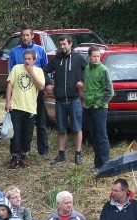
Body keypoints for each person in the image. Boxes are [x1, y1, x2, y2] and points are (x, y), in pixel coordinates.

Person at [7, 27, 49, 157]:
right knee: (20, 123)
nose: (25, 38)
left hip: (36, 89)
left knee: (41, 121)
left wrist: (46, 85)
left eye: (27, 35)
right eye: (23, 35)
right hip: (20, 91)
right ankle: (18, 151)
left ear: (32, 36)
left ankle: (43, 149)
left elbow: (46, 69)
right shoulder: (14, 51)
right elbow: (11, 73)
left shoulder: (40, 50)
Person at [45, 35, 87, 166]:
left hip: (74, 99)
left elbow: (89, 70)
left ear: (70, 44)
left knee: (77, 128)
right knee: (61, 129)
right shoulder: (56, 59)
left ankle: (78, 154)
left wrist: (83, 81)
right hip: (60, 100)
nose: (62, 47)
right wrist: (48, 84)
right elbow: (45, 70)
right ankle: (61, 154)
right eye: (60, 44)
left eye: (64, 44)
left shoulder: (79, 58)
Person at [5, 49, 45, 169]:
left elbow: (41, 86)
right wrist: (8, 101)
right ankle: (14, 157)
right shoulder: (16, 68)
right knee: (15, 134)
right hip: (16, 106)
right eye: (25, 59)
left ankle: (23, 156)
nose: (27, 61)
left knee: (27, 134)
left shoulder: (38, 71)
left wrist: (32, 73)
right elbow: (10, 84)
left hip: (30, 108)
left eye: (29, 59)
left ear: (34, 60)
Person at [83, 46, 113, 172]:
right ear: (89, 57)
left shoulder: (103, 70)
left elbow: (110, 91)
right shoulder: (87, 69)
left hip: (99, 108)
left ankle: (106, 165)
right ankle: (97, 164)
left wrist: (99, 103)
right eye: (94, 56)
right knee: (93, 136)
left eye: (98, 56)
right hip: (88, 106)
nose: (96, 59)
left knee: (102, 136)